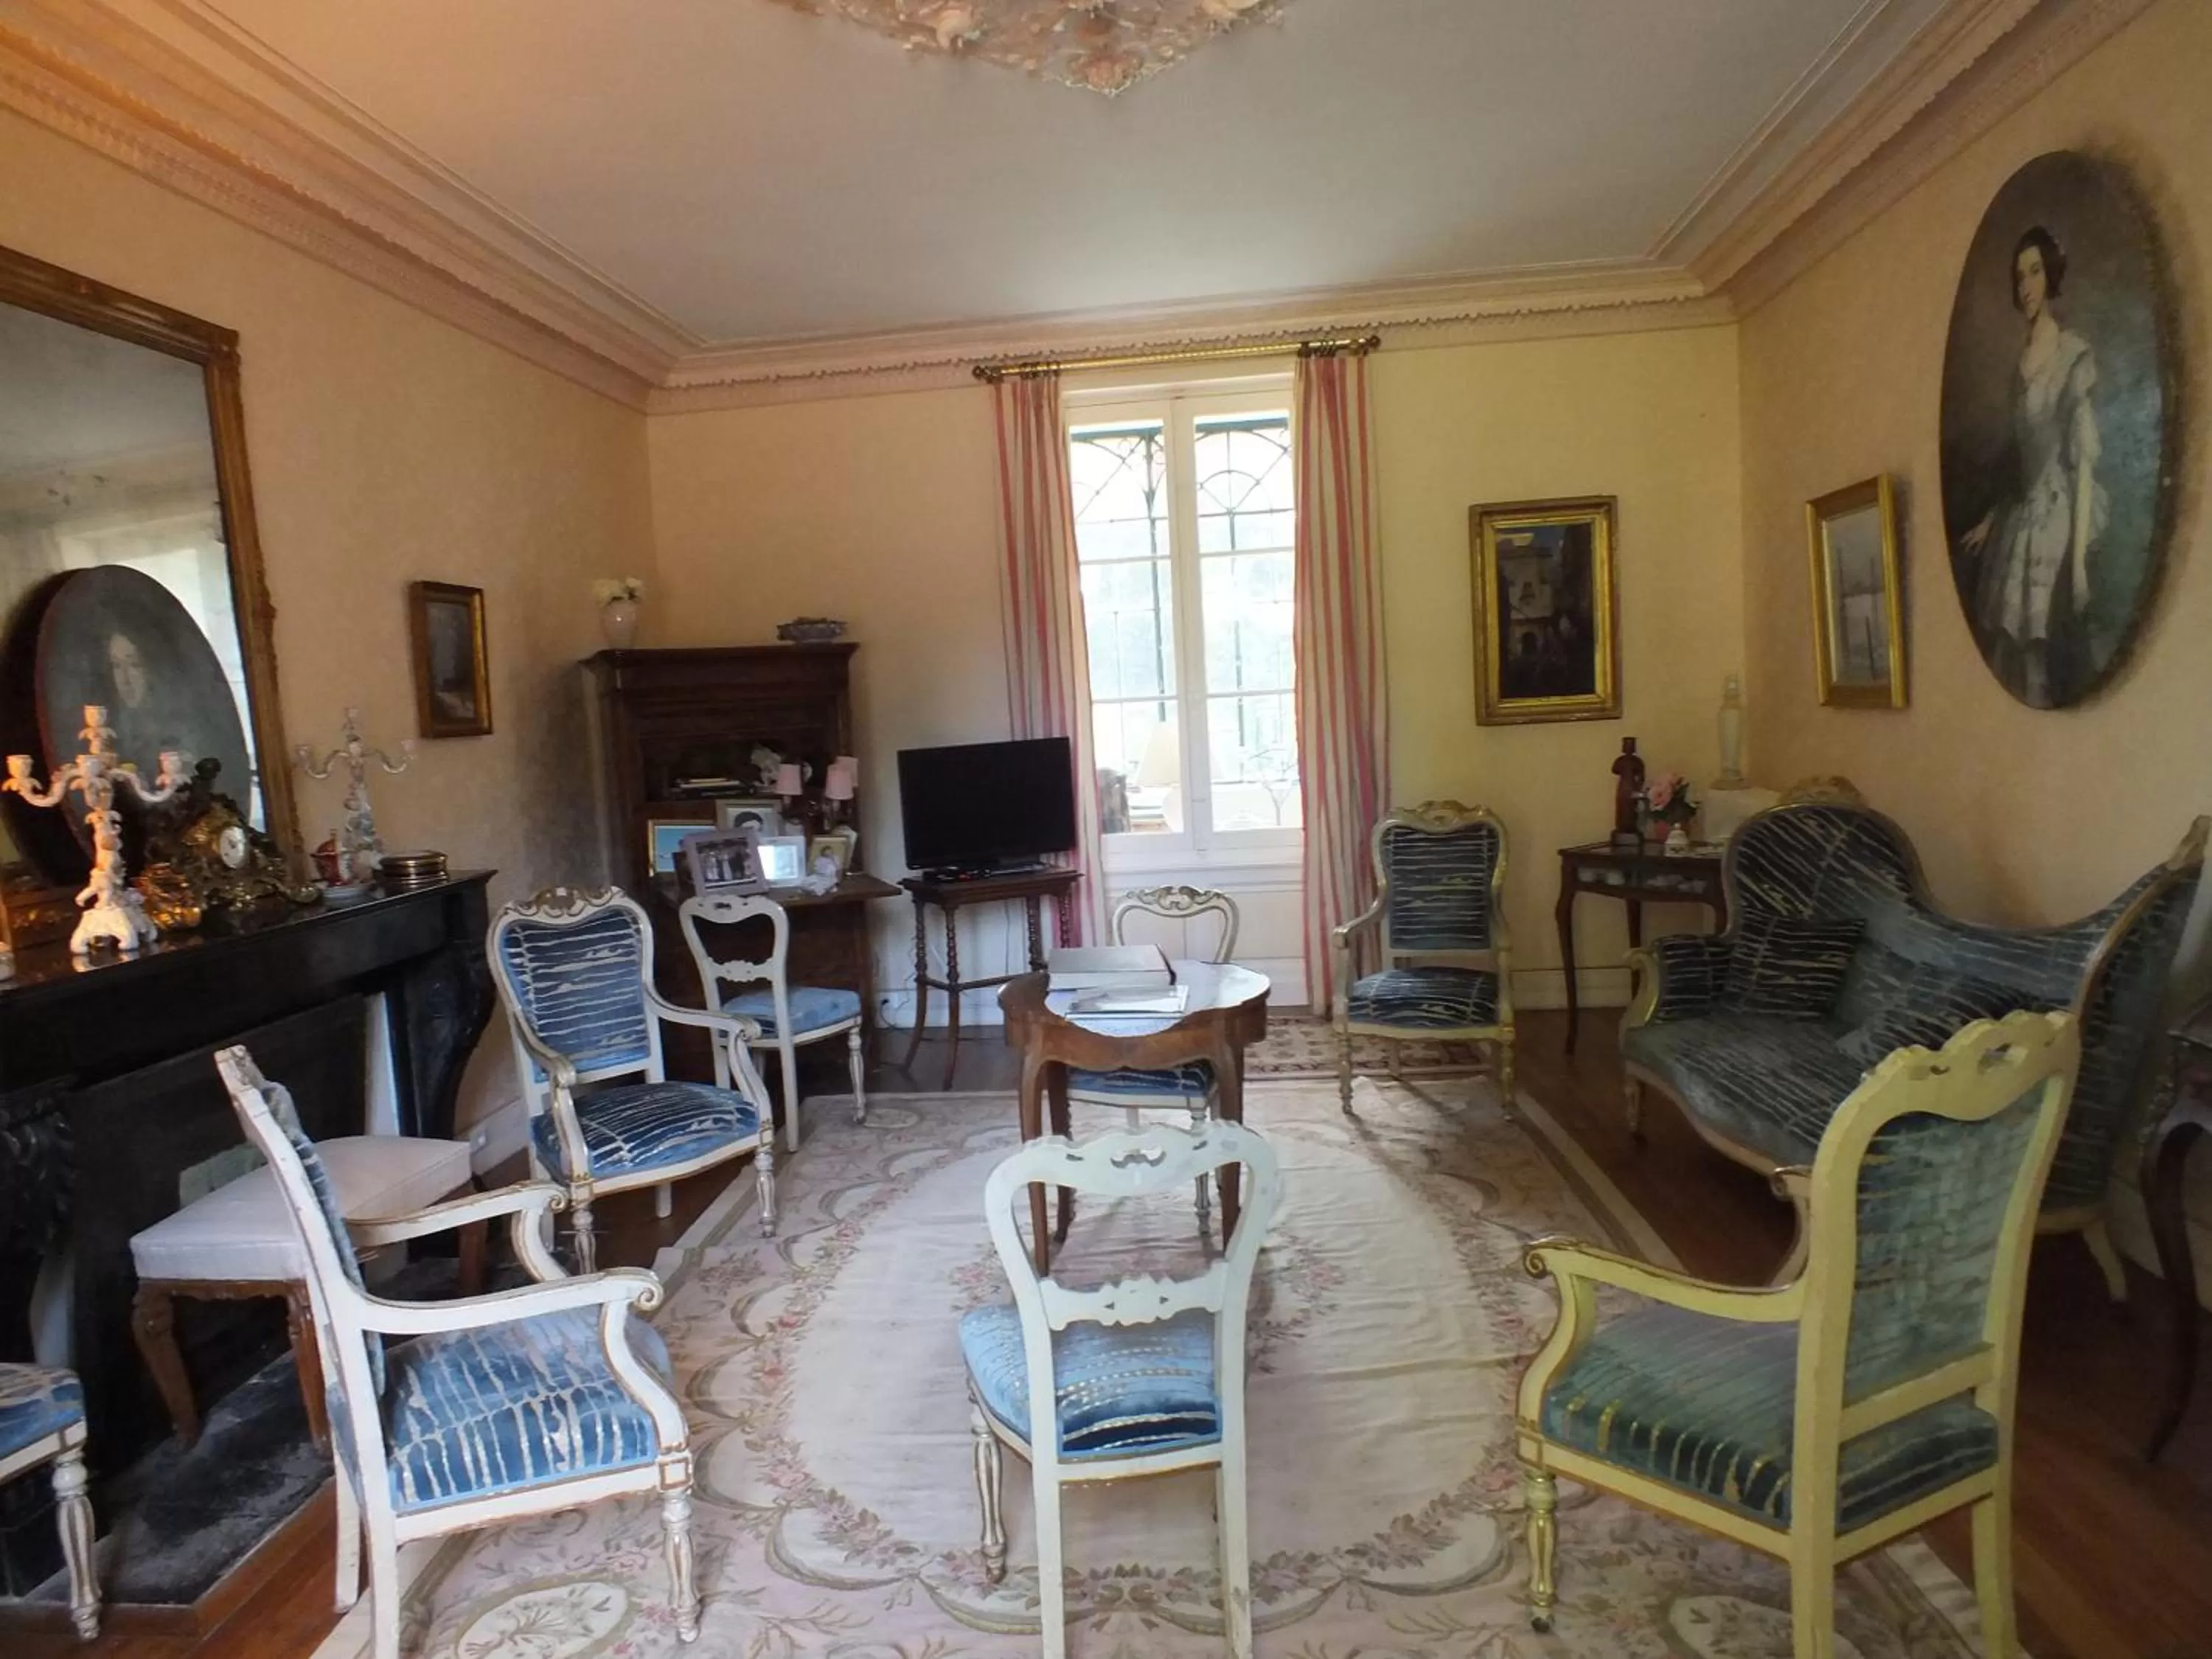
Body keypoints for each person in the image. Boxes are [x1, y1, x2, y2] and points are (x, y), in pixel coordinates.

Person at [1957, 224, 2106, 707]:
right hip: (2022, 512)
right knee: (2013, 656)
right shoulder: (2018, 367)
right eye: (2019, 276)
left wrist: (2078, 566)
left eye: (2035, 272)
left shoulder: (2072, 355)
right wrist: (1992, 520)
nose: (2026, 286)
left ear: (2051, 276)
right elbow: (2022, 461)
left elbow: (2082, 464)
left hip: (2060, 510)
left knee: (2040, 646)